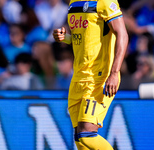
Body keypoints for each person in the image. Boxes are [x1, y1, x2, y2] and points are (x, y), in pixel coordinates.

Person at [53, 0, 128, 149]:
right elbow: (83, 39)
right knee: (80, 141)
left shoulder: (105, 2)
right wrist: (65, 38)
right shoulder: (73, 2)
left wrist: (114, 72)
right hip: (79, 77)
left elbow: (123, 34)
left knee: (86, 134)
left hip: (99, 77)